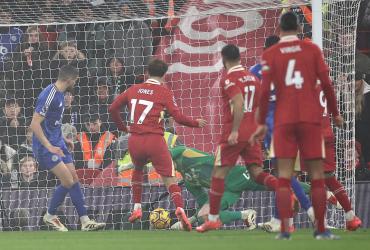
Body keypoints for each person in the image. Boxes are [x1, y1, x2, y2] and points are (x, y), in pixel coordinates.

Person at [250, 12, 343, 239]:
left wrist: (261, 123)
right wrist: (335, 113)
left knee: (283, 175)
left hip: (282, 122)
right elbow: (327, 85)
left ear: (280, 29)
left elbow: (263, 95)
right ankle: (320, 227)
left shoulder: (270, 55)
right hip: (310, 120)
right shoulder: (311, 51)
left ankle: (284, 229)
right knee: (317, 176)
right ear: (300, 28)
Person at [109, 59, 207, 231]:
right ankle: (179, 208)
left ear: (147, 72)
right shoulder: (164, 92)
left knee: (138, 170)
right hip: (154, 140)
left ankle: (137, 208)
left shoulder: (132, 89)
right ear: (164, 75)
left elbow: (112, 108)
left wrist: (123, 127)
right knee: (170, 177)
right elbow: (177, 116)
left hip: (135, 140)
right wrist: (195, 123)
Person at [196, 44, 278, 233]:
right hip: (251, 134)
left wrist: (234, 130)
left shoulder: (229, 78)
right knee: (257, 173)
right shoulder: (253, 77)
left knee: (218, 175)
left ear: (224, 59)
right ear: (239, 57)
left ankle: (214, 219)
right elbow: (259, 107)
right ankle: (286, 191)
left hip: (234, 134)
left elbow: (239, 102)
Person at [30, 64, 105, 231]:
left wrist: (63, 139)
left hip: (59, 143)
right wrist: (49, 146)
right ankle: (50, 215)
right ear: (70, 79)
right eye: (75, 80)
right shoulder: (48, 95)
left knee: (74, 179)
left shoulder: (61, 94)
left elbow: (52, 123)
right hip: (45, 148)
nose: (75, 83)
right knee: (68, 181)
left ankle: (85, 221)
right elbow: (34, 124)